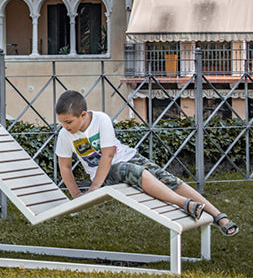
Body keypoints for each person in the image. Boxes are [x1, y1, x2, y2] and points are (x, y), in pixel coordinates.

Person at [55, 90, 239, 237]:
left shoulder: (101, 119)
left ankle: (219, 216)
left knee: (169, 180)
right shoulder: (65, 135)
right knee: (132, 171)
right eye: (62, 122)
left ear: (83, 115)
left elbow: (109, 154)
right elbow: (65, 167)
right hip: (104, 174)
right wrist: (78, 195)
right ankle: (184, 203)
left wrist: (93, 189)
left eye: (69, 121)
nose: (65, 126)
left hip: (127, 157)